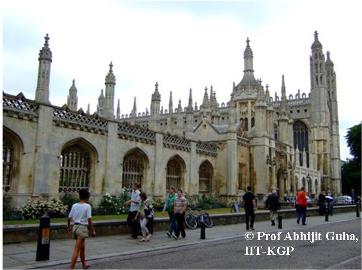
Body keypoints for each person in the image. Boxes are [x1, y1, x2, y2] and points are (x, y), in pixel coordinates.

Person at [67, 189, 96, 269]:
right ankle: (71, 268)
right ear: (87, 197)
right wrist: (92, 230)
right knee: (77, 249)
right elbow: (89, 220)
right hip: (82, 228)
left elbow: (69, 218)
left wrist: (69, 227)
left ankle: (84, 264)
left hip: (75, 227)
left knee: (82, 248)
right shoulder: (87, 206)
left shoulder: (74, 205)